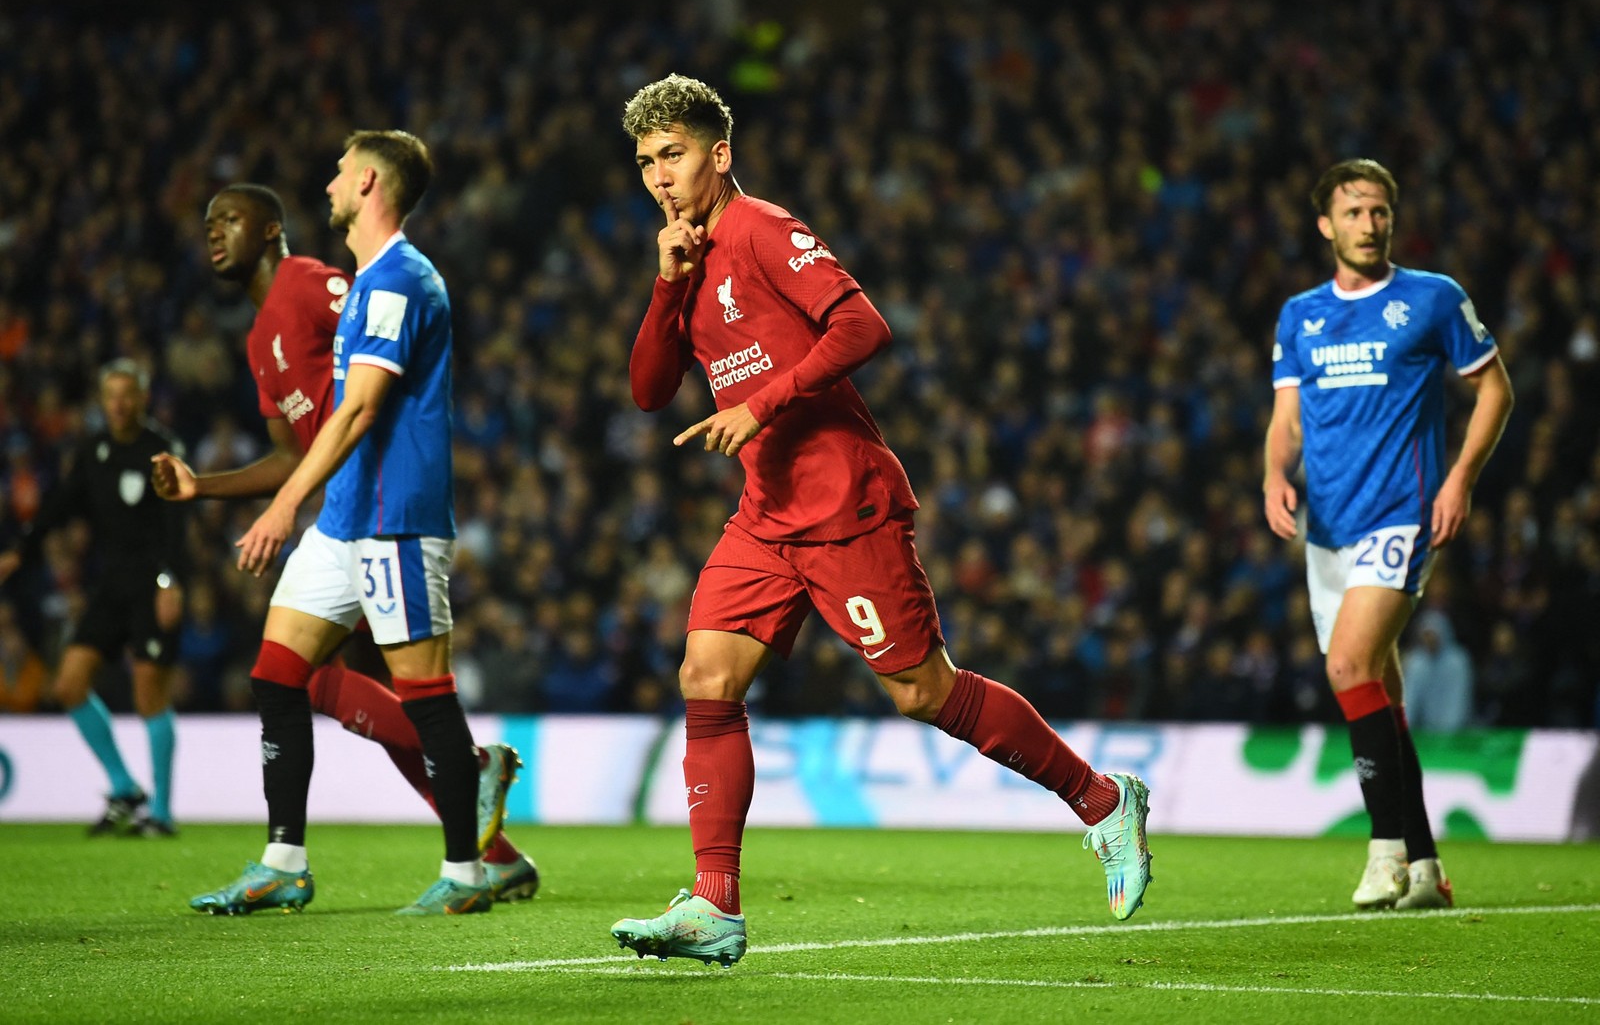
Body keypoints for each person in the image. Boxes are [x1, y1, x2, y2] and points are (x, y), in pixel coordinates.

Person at [608, 75, 1152, 968]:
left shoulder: (763, 229)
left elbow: (864, 325)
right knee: (706, 673)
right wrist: (666, 288)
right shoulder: (689, 257)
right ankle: (715, 905)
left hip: (843, 499)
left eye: (673, 155)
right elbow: (644, 392)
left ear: (720, 154)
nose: (659, 177)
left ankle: (1101, 801)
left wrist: (766, 403)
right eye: (645, 163)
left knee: (920, 692)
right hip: (767, 512)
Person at [154, 183, 538, 910]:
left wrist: (303, 496)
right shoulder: (258, 334)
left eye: (228, 220)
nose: (213, 234)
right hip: (336, 514)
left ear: (271, 229)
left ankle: (468, 809)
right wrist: (198, 487)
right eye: (206, 224)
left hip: (384, 505)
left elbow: (372, 375)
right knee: (285, 676)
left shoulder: (313, 285)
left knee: (374, 692)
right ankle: (482, 850)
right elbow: (283, 455)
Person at [1263, 158, 1514, 909]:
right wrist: (1276, 475)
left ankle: (1385, 852)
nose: (1368, 225)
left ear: (1392, 219)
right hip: (1326, 527)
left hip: (1401, 515)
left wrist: (1460, 478)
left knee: (1347, 667)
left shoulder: (1432, 299)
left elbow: (1495, 387)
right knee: (1378, 690)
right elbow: (1288, 418)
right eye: (1353, 213)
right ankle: (1429, 869)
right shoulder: (1299, 315)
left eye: (1379, 212)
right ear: (1326, 225)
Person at [0, 359, 187, 835]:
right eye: (112, 396)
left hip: (151, 586)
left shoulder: (162, 449)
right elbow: (61, 504)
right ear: (103, 402)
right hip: (111, 588)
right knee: (68, 684)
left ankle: (162, 812)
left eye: (128, 394)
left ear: (143, 398)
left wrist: (169, 582)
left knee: (150, 693)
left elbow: (175, 526)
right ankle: (125, 786)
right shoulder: (93, 450)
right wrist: (22, 551)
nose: (120, 404)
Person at [1399, 609, 1474, 733]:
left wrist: (1448, 734)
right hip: (1426, 733)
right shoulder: (1416, 663)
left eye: (1432, 634)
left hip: (1457, 732)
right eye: (1426, 634)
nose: (1429, 639)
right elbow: (1410, 700)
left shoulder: (1458, 662)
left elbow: (1459, 700)